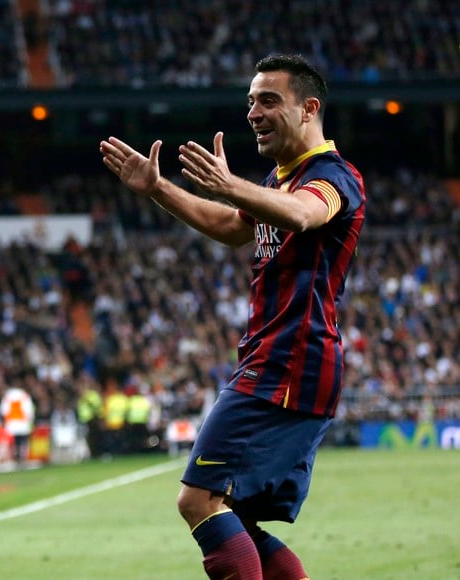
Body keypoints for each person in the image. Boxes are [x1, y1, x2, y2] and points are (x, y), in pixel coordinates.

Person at [100, 54, 365, 579]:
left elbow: (304, 214)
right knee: (233, 513)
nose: (253, 112)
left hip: (288, 364)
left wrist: (231, 184)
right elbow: (231, 225)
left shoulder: (332, 176)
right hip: (283, 362)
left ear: (310, 108)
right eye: (250, 101)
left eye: (269, 100)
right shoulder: (280, 177)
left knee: (197, 501)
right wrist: (159, 188)